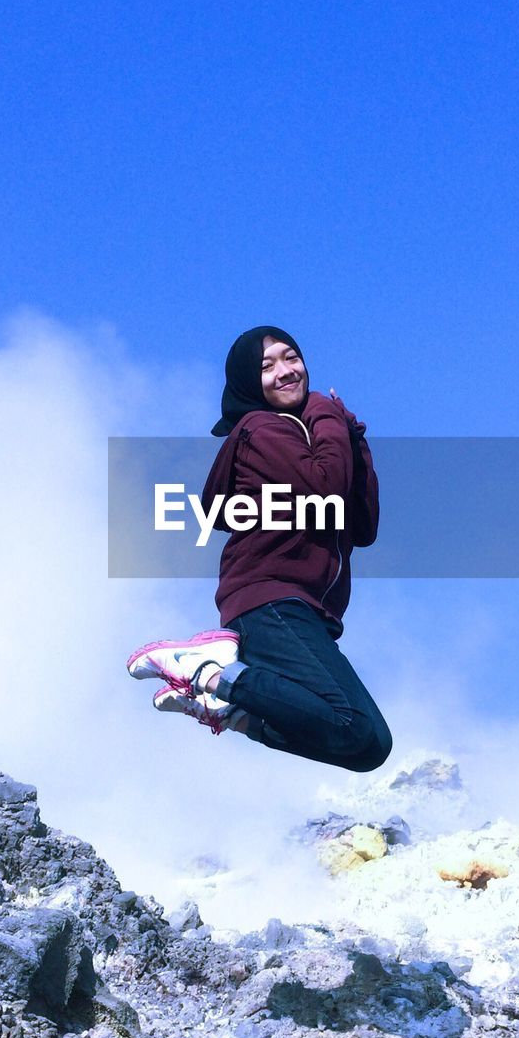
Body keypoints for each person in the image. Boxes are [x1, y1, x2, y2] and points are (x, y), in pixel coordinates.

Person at [126, 325, 392, 773]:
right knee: (355, 726)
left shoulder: (311, 434)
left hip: (305, 611)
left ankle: (233, 712)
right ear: (251, 384)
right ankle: (208, 671)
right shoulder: (262, 429)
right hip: (270, 601)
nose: (286, 371)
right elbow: (326, 487)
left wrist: (355, 438)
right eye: (267, 367)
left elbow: (362, 527)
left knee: (367, 747)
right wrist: (328, 413)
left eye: (292, 358)